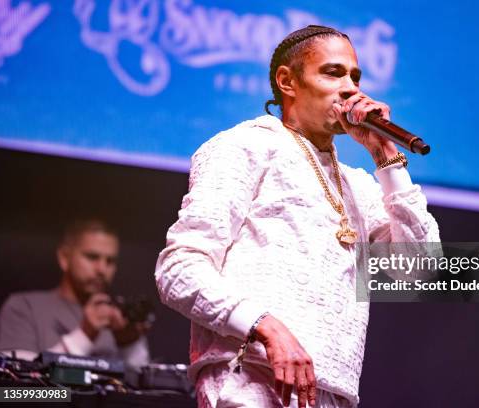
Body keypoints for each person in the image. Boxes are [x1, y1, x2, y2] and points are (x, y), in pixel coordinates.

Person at [155, 25, 440, 408]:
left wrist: (387, 158)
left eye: (355, 77)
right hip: (251, 379)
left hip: (328, 393)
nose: (351, 89)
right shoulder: (245, 145)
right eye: (333, 72)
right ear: (287, 81)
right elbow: (179, 269)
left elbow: (419, 269)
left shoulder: (358, 185)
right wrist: (265, 326)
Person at [0, 219, 150, 370]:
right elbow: (14, 386)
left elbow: (142, 390)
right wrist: (84, 335)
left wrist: (129, 344)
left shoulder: (119, 320)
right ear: (64, 257)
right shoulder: (24, 307)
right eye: (92, 257)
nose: (102, 269)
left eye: (110, 261)